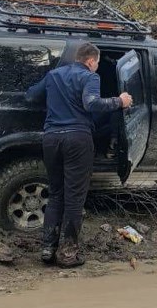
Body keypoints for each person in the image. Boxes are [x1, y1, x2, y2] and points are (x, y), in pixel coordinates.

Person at [26, 42, 133, 268]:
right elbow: (92, 104)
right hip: (77, 140)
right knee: (74, 198)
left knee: (56, 194)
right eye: (97, 63)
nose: (96, 68)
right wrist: (119, 102)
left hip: (52, 139)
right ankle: (67, 255)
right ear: (91, 61)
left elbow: (31, 96)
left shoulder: (53, 75)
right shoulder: (90, 78)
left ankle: (48, 249)